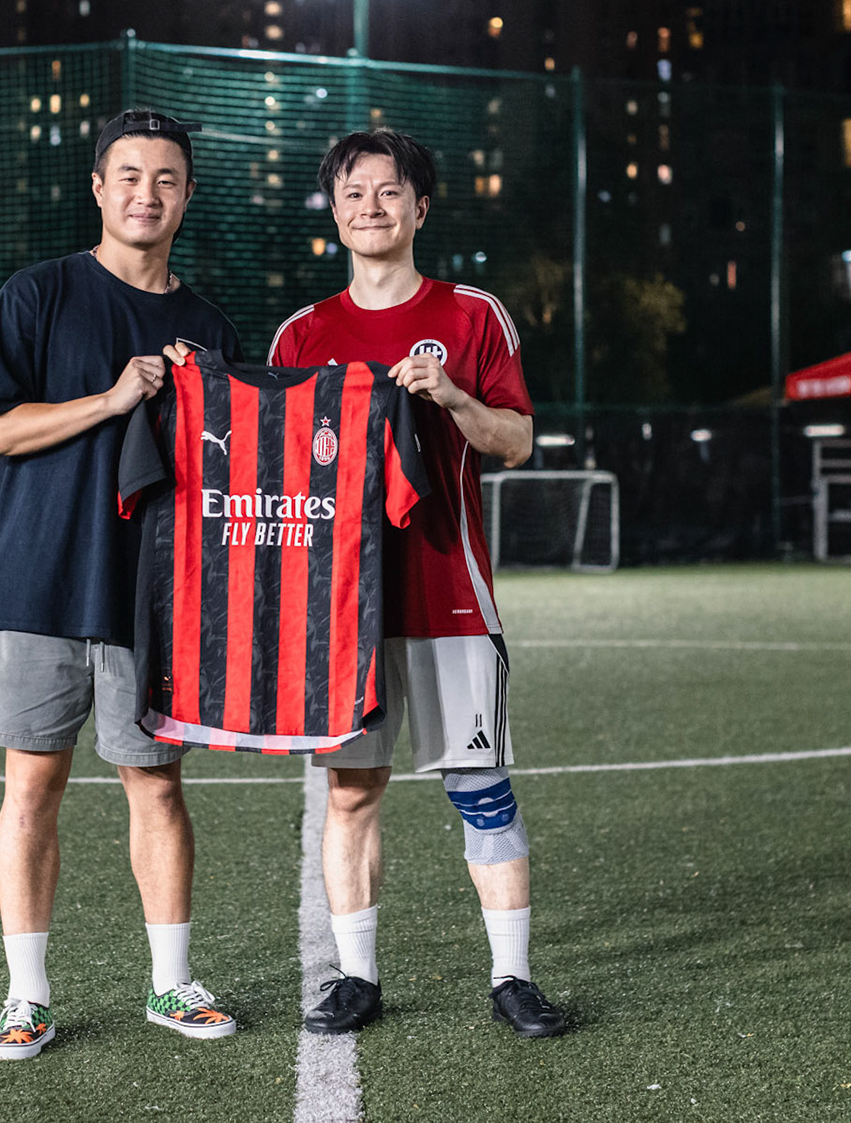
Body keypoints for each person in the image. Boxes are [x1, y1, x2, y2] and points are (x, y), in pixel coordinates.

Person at [269, 127, 567, 1039]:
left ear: (420, 207)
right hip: (343, 611)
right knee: (351, 792)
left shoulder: (473, 316)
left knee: (481, 784)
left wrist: (452, 398)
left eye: (389, 191)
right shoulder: (302, 335)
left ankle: (512, 977)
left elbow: (516, 442)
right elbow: (276, 478)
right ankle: (357, 977)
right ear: (334, 211)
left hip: (448, 593)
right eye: (353, 192)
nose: (371, 205)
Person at [0, 109, 242, 1060]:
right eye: (128, 176)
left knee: (154, 787)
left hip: (151, 599)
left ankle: (170, 984)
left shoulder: (207, 326)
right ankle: (26, 996)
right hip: (35, 581)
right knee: (31, 789)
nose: (145, 195)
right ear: (98, 187)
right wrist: (113, 400)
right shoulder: (38, 294)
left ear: (188, 195)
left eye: (166, 179)